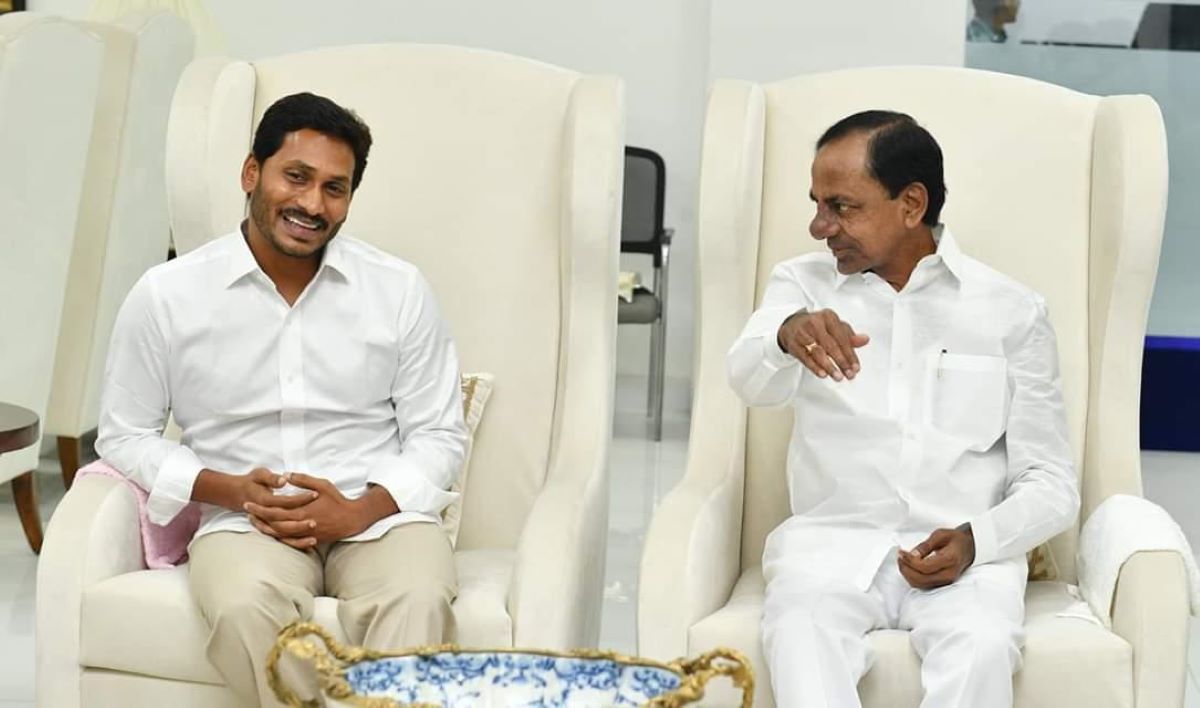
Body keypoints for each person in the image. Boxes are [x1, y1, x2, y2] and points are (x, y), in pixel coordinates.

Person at [97, 92, 467, 707]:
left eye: (334, 188)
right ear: (252, 173)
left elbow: (438, 433)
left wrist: (360, 508)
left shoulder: (398, 289)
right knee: (244, 608)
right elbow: (124, 433)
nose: (311, 204)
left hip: (377, 514)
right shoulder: (167, 295)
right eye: (295, 177)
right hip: (245, 522)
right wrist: (232, 489)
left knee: (420, 598)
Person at [727, 110, 1079, 708]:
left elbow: (1052, 484)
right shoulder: (800, 285)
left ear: (911, 203)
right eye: (816, 203)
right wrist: (787, 333)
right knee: (800, 636)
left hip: (963, 564)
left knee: (981, 649)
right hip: (828, 550)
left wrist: (978, 540)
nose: (819, 226)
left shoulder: (1011, 311)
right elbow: (748, 377)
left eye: (841, 206)